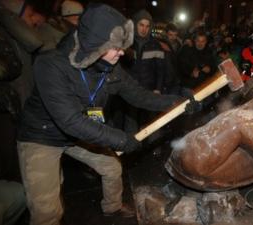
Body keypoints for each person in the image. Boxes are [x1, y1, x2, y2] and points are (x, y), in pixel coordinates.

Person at [17, 4, 198, 225]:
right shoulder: (50, 65)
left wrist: (176, 102)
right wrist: (121, 139)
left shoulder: (109, 67)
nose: (122, 52)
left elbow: (139, 95)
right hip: (41, 136)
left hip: (80, 131)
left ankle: (112, 207)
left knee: (112, 168)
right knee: (48, 213)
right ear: (96, 44)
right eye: (116, 47)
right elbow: (70, 121)